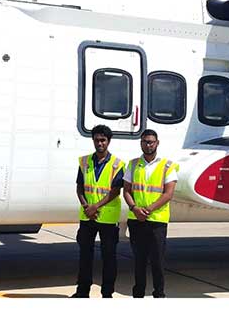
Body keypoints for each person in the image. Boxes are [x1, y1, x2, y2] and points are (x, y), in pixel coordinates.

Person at [123, 129, 178, 298]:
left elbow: (168, 193)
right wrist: (134, 208)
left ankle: (159, 294)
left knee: (157, 261)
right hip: (136, 220)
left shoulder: (167, 166)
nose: (148, 145)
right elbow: (126, 191)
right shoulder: (132, 164)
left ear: (157, 143)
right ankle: (138, 293)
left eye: (151, 142)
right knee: (139, 260)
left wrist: (149, 209)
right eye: (145, 141)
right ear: (141, 143)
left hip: (156, 221)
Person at [71, 124, 125, 298]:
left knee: (109, 257)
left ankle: (107, 293)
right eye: (96, 140)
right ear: (93, 141)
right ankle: (82, 291)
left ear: (108, 141)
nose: (99, 143)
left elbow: (115, 191)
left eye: (103, 140)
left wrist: (96, 206)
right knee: (85, 256)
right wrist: (87, 206)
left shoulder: (118, 164)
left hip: (107, 219)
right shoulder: (84, 162)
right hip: (87, 217)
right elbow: (80, 188)